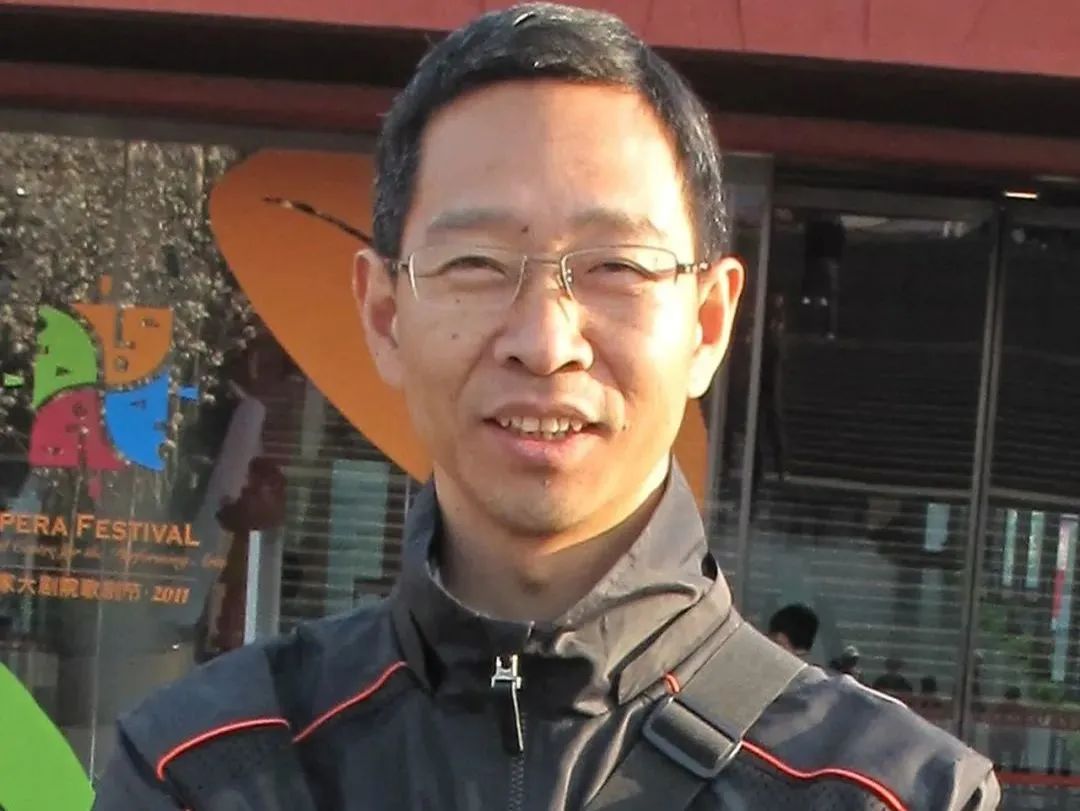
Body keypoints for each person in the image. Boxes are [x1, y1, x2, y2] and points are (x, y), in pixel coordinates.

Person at [91, 4, 1000, 809]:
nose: (545, 339)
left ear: (708, 322)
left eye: (616, 266)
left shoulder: (891, 791)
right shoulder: (202, 768)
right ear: (384, 315)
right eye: (476, 264)